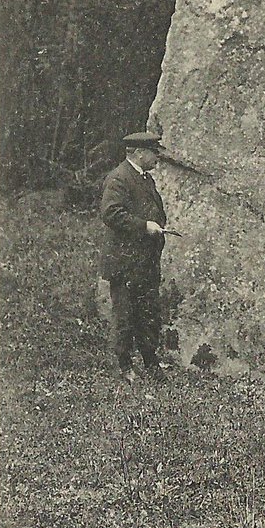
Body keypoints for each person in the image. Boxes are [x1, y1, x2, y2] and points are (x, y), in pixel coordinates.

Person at [100, 132, 167, 385]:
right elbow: (111, 213)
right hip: (125, 263)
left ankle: (151, 363)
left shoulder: (144, 178)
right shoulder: (119, 178)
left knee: (148, 313)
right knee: (125, 316)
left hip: (144, 261)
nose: (157, 156)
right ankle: (125, 367)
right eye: (154, 151)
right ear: (139, 153)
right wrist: (144, 226)